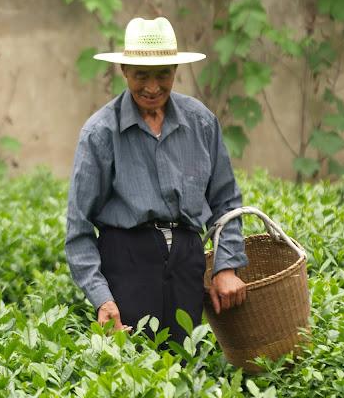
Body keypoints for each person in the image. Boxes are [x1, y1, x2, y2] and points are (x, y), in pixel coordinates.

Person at [65, 17, 248, 344]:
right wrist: (102, 298)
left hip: (188, 265)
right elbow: (78, 228)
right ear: (123, 70)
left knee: (188, 369)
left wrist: (226, 266)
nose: (152, 87)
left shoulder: (201, 122)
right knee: (134, 373)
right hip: (126, 264)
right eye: (141, 75)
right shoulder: (100, 134)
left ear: (176, 70)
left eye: (163, 74)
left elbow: (226, 202)